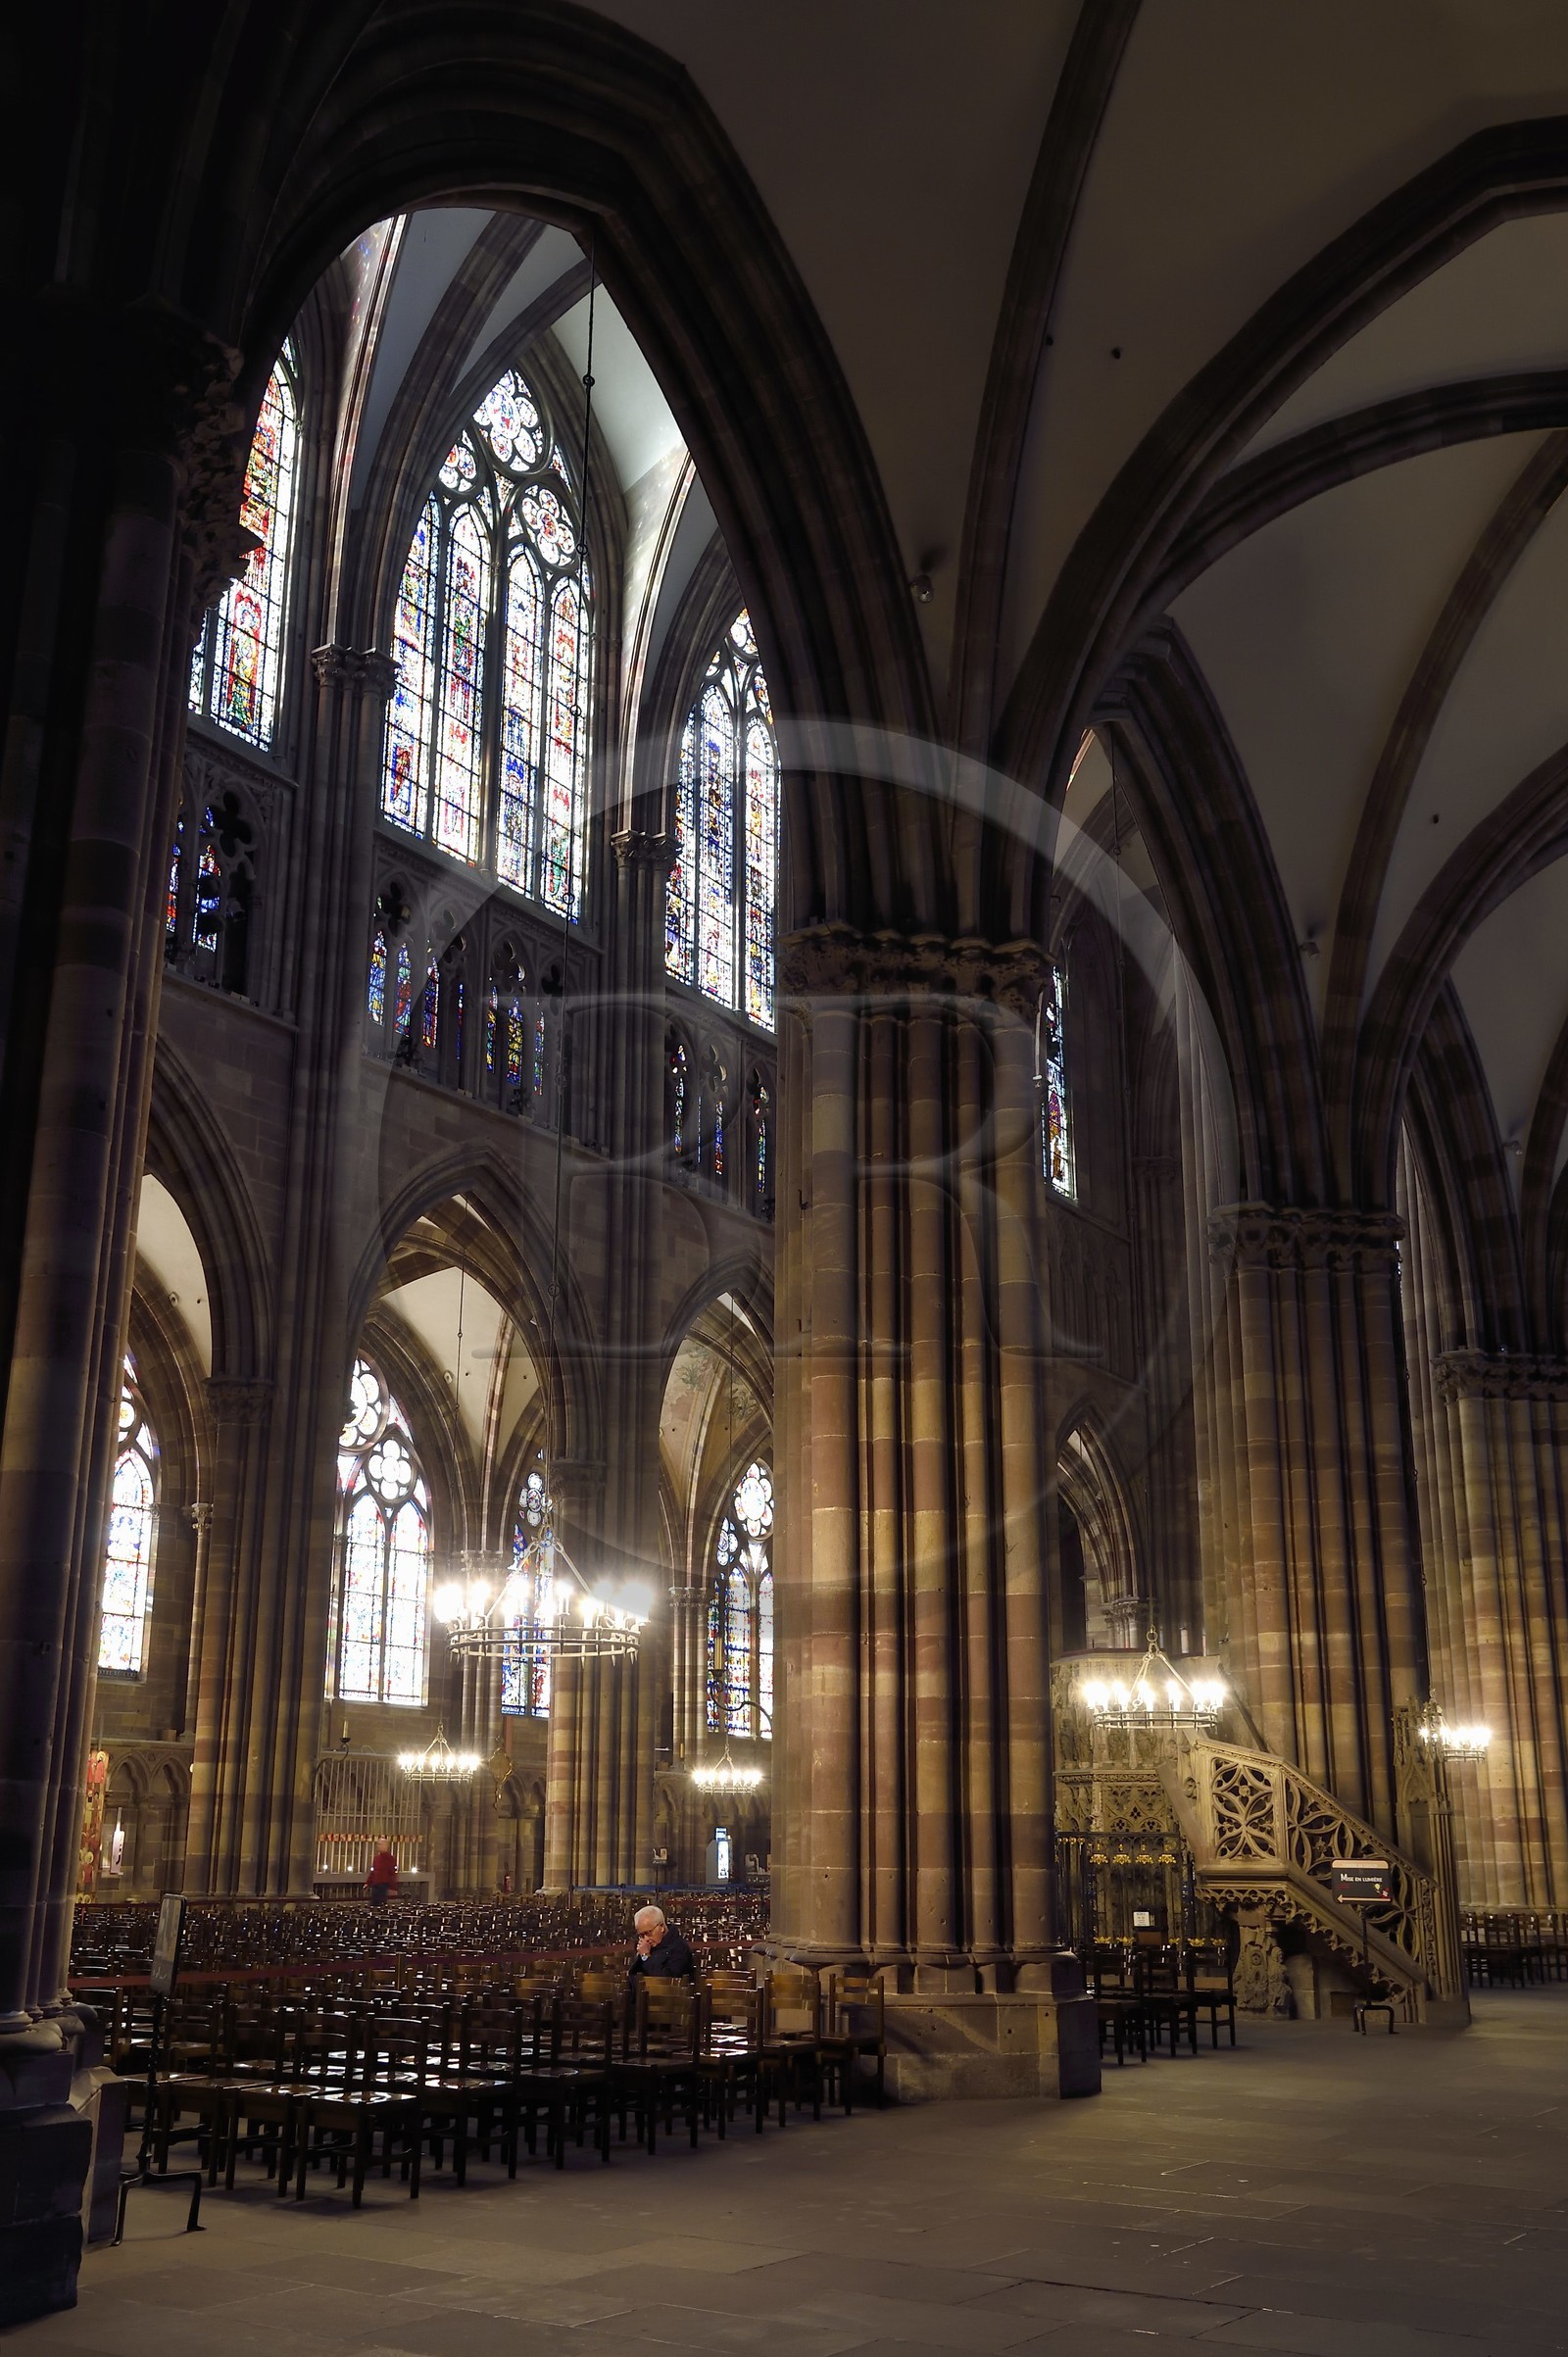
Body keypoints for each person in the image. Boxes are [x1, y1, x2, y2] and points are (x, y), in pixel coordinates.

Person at [628, 1903, 694, 1982]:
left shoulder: (680, 1948)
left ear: (661, 1927)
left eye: (648, 1933)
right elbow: (633, 1976)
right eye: (641, 1935)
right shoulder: (644, 1946)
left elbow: (666, 1981)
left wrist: (645, 1956)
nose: (645, 1939)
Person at [365, 1837, 398, 1907]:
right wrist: (368, 1883)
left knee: (381, 1905)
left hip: (383, 1886)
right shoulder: (376, 1858)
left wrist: (393, 1888)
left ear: (385, 1846)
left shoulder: (390, 1859)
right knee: (373, 1905)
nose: (378, 1846)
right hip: (375, 1885)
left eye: (380, 1844)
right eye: (378, 1844)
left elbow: (392, 1874)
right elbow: (373, 1872)